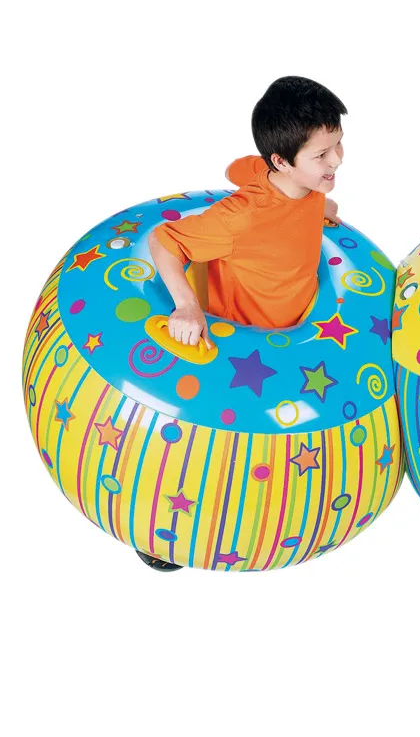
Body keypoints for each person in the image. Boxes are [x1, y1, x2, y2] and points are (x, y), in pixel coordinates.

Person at [139, 76, 346, 572]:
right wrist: (186, 306)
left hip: (298, 332)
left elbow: (249, 170)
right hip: (240, 351)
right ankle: (170, 528)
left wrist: (322, 208)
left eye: (339, 145)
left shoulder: (303, 183)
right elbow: (165, 242)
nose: (337, 161)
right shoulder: (241, 216)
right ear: (281, 161)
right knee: (219, 444)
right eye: (323, 154)